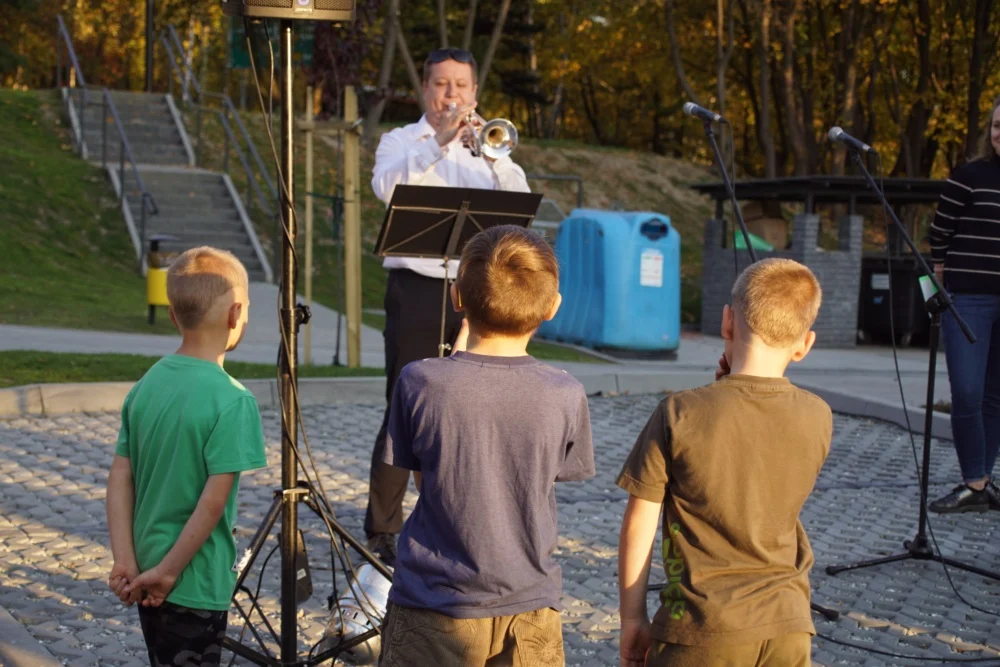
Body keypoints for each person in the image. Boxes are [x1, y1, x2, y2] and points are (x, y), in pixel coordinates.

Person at [376, 225, 595, 666]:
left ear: (457, 297)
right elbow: (543, 478)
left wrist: (452, 365)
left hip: (434, 603)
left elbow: (426, 480)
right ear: (552, 306)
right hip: (530, 602)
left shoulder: (421, 381)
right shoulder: (566, 392)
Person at [616, 258, 832, 667]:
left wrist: (632, 617)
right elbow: (757, 464)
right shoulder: (818, 415)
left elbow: (639, 524)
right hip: (787, 625)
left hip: (701, 629)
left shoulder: (679, 413)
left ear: (727, 322)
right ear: (805, 344)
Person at [366, 47, 531, 565]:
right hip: (417, 287)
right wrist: (439, 143)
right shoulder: (401, 141)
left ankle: (464, 520)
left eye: (461, 85)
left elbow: (520, 202)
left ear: (475, 93)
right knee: (405, 403)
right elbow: (386, 188)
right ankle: (383, 527)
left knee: (473, 405)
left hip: (475, 289)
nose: (451, 95)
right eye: (442, 84)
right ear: (425, 89)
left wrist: (493, 157)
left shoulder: (487, 143)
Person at [105, 247, 268, 666]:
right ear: (236, 314)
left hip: (143, 568)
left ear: (173, 316)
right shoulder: (233, 401)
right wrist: (170, 572)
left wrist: (125, 560)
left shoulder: (147, 383)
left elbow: (120, 477)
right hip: (192, 579)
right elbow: (213, 503)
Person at [927, 96, 1000, 513]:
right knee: (968, 391)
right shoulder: (969, 176)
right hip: (968, 299)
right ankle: (974, 479)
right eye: (997, 126)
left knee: (995, 396)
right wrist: (939, 279)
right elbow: (940, 232)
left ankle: (981, 483)